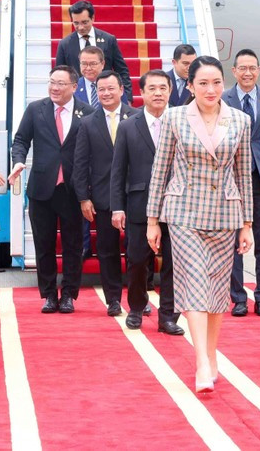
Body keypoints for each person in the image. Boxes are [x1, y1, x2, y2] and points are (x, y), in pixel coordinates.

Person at [147, 56, 253, 392]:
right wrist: (153, 219)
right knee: (193, 282)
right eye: (203, 83)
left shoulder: (240, 120)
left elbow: (243, 174)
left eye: (217, 82)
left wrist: (247, 223)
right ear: (189, 86)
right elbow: (160, 169)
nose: (211, 89)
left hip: (225, 213)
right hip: (183, 212)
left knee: (218, 290)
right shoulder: (175, 117)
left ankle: (211, 353)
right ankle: (201, 363)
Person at [9, 66, 95, 313]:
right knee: (43, 244)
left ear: (74, 87)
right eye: (51, 82)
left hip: (72, 190)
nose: (55, 88)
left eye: (61, 84)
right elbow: (21, 140)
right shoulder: (36, 109)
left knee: (73, 245)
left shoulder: (86, 113)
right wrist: (18, 161)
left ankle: (68, 294)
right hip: (42, 188)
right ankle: (49, 294)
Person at [111, 69, 183, 335]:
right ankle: (136, 308)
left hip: (177, 206)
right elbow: (118, 169)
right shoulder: (129, 125)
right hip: (139, 204)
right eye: (152, 88)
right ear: (142, 93)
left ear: (170, 91)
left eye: (163, 88)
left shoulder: (182, 121)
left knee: (175, 264)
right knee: (137, 259)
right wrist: (117, 206)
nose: (158, 93)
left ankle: (168, 316)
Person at [222, 49, 260, 317]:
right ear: (233, 71)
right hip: (230, 179)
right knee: (234, 241)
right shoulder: (222, 99)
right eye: (242, 68)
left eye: (252, 68)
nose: (247, 73)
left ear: (259, 70)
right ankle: (238, 298)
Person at [73, 71, 136, 316]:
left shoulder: (137, 117)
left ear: (121, 89)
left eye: (111, 88)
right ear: (96, 92)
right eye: (101, 90)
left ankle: (137, 299)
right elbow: (80, 163)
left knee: (136, 250)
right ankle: (113, 300)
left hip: (134, 195)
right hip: (102, 197)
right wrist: (83, 198)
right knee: (107, 250)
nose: (106, 93)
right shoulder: (87, 122)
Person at [55, 0, 132, 102]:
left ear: (93, 18)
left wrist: (127, 98)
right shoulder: (65, 44)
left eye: (84, 22)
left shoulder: (108, 40)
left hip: (107, 95)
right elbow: (60, 74)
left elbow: (121, 70)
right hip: (77, 98)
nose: (80, 27)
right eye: (76, 23)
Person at [73, 46, 106, 258]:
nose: (88, 68)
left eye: (93, 63)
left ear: (102, 64)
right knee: (82, 199)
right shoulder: (73, 89)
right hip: (81, 154)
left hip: (105, 155)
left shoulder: (111, 86)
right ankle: (84, 245)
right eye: (84, 63)